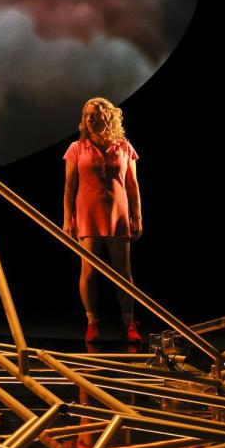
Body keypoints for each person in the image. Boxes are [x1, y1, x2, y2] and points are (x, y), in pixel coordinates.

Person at [63, 97, 143, 344]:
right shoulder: (77, 148)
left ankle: (129, 323)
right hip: (87, 214)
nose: (90, 119)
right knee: (88, 273)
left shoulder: (124, 146)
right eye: (87, 114)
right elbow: (69, 186)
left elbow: (132, 184)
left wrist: (137, 216)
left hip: (118, 215)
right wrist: (68, 217)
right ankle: (92, 322)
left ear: (107, 116)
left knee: (123, 272)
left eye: (94, 114)